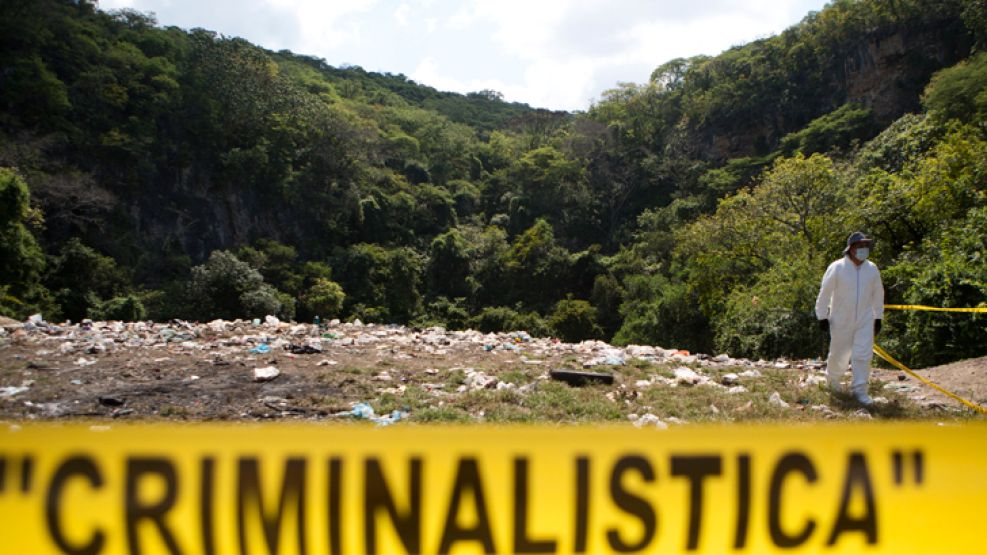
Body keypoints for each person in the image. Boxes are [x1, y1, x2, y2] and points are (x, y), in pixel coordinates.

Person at [815, 231, 884, 405]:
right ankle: (833, 384)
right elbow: (825, 293)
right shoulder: (837, 267)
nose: (864, 249)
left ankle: (860, 391)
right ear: (851, 249)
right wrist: (822, 316)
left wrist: (878, 317)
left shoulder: (872, 268)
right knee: (840, 354)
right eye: (860, 246)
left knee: (863, 354)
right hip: (840, 318)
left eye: (866, 246)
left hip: (865, 318)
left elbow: (878, 294)